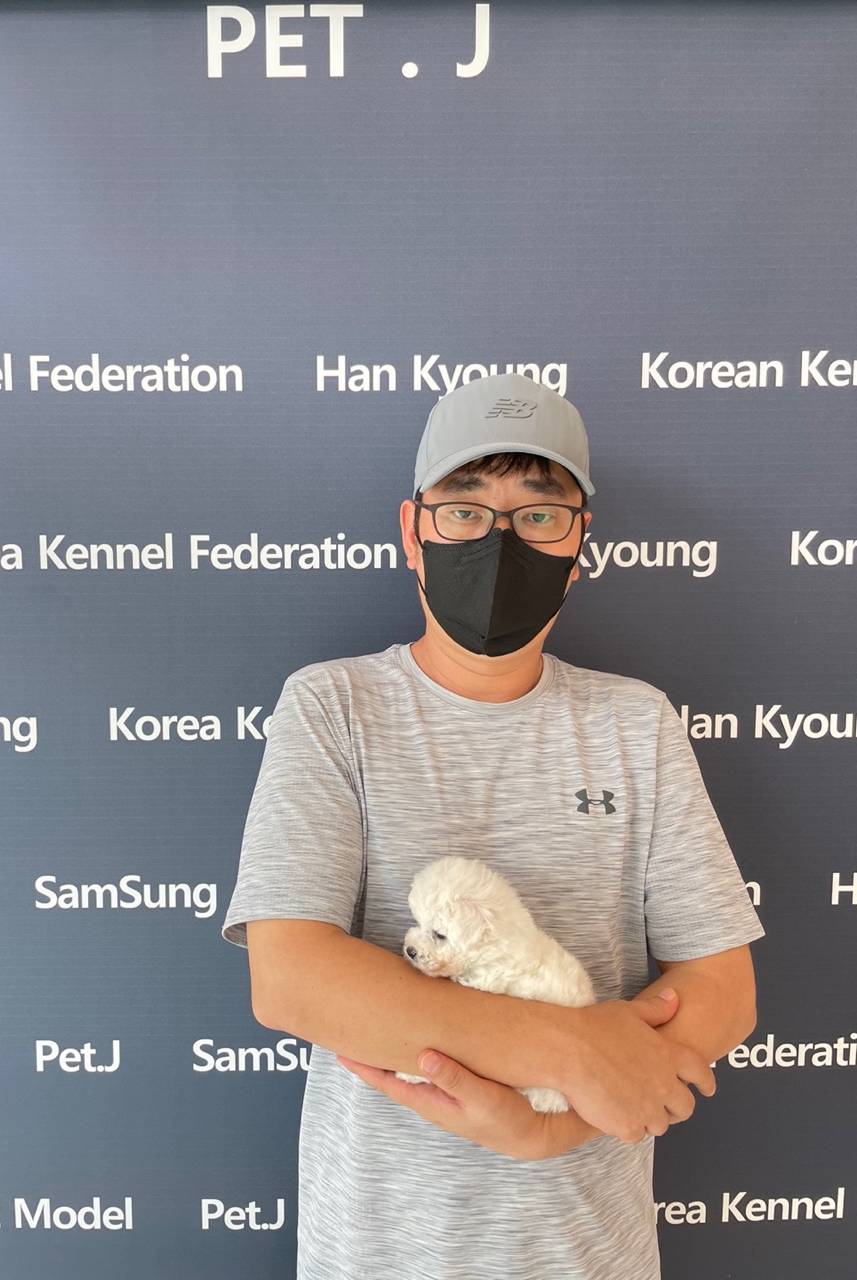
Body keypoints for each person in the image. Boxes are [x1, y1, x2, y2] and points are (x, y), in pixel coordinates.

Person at [222, 373, 764, 1280]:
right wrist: (566, 1051)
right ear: (414, 532)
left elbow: (722, 991)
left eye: (539, 514)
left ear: (579, 543)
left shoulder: (636, 724)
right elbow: (292, 980)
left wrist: (553, 1126)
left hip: (592, 1252)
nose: (500, 539)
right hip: (381, 1254)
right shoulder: (334, 708)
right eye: (465, 510)